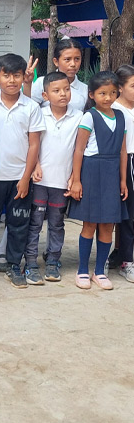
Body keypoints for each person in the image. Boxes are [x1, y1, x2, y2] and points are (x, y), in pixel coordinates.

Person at [0, 53, 45, 287]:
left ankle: (14, 265)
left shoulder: (31, 107)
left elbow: (34, 143)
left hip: (20, 178)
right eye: (6, 75)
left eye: (17, 75)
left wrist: (26, 177)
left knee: (18, 224)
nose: (12, 80)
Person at [68, 71, 128, 290]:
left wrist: (123, 180)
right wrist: (76, 180)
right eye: (103, 93)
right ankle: (83, 270)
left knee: (108, 225)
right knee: (90, 223)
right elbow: (79, 150)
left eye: (113, 93)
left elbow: (122, 151)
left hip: (113, 173)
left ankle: (100, 271)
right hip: (92, 173)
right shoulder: (89, 116)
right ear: (92, 94)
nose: (108, 97)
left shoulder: (120, 116)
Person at [24, 71, 82, 284]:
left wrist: (75, 176)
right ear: (46, 95)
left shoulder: (78, 116)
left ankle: (53, 260)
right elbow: (32, 142)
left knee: (57, 223)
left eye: (66, 89)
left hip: (62, 181)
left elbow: (80, 149)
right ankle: (30, 262)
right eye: (56, 91)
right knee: (35, 222)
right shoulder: (38, 113)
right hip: (40, 180)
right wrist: (35, 166)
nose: (63, 94)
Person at [113, 64, 134, 282]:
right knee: (128, 216)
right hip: (125, 163)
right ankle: (126, 260)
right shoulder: (116, 110)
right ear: (120, 87)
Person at [25, 38, 87, 112]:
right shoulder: (42, 82)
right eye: (67, 59)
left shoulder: (85, 90)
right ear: (56, 61)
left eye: (77, 59)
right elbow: (28, 109)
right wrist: (27, 84)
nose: (73, 64)